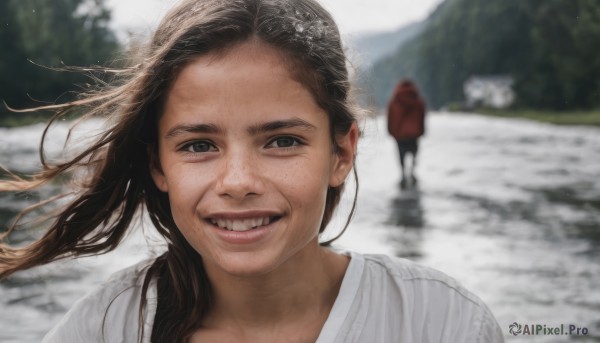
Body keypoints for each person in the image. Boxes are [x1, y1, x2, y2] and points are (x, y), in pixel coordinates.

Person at [0, 0, 504, 342]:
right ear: (158, 164)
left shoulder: (441, 323)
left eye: (282, 141)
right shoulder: (105, 330)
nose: (238, 181)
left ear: (341, 154)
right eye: (199, 145)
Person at [387, 79, 426, 188]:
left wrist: (391, 132)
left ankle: (403, 175)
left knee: (401, 156)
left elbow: (390, 118)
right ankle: (412, 173)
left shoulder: (394, 101)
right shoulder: (418, 101)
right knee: (414, 154)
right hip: (414, 134)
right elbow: (421, 118)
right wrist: (421, 131)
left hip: (400, 135)